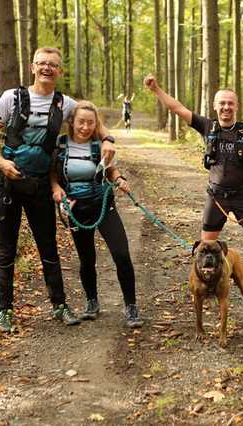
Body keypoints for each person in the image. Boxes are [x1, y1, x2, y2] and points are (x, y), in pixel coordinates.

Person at [0, 47, 116, 332]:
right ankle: (4, 310)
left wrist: (108, 139)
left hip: (41, 184)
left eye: (52, 65)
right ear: (32, 67)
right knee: (6, 251)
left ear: (60, 72)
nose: (47, 68)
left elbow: (91, 117)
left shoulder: (64, 103)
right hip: (7, 183)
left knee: (48, 247)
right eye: (42, 63)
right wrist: (0, 161)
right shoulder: (11, 98)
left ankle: (59, 305)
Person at [144, 74, 243, 307]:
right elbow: (177, 108)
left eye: (230, 103)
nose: (226, 107)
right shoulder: (207, 126)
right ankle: (201, 287)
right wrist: (156, 89)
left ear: (236, 106)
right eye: (222, 103)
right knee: (203, 248)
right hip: (216, 199)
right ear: (215, 106)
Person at [51, 101, 143, 328]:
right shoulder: (60, 146)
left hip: (103, 204)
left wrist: (120, 180)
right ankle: (92, 302)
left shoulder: (100, 146)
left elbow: (111, 169)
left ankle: (131, 306)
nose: (85, 127)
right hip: (76, 209)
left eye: (90, 123)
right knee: (86, 258)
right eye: (81, 122)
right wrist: (55, 189)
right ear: (72, 122)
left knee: (121, 253)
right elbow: (52, 174)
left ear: (96, 124)